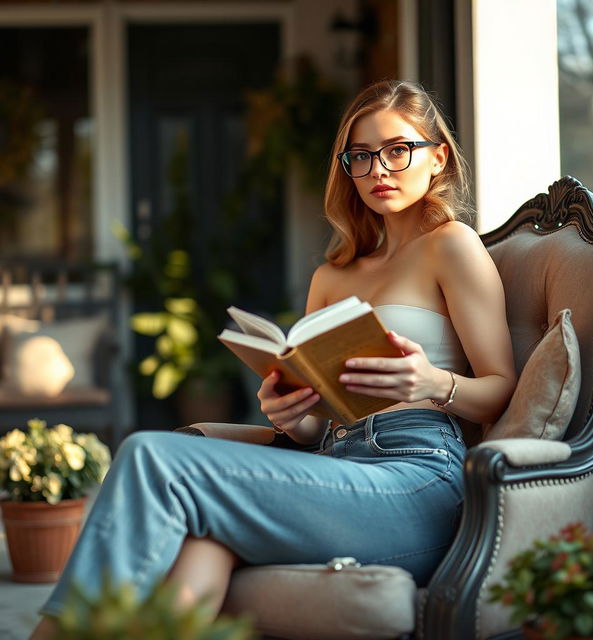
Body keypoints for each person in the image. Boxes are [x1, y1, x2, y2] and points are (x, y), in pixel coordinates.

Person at [30, 80, 516, 638]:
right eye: (360, 156)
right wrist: (290, 412)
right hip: (334, 466)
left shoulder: (451, 245)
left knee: (148, 454)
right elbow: (313, 429)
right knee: (203, 535)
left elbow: (502, 387)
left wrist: (432, 383)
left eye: (397, 149)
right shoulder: (332, 276)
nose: (378, 169)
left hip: (417, 478)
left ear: (438, 158)